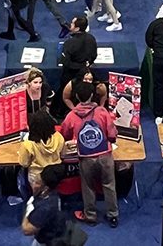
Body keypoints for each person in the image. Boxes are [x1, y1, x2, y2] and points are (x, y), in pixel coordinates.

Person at [61, 80, 120, 227]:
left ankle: (90, 216)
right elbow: (112, 133)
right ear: (93, 95)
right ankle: (113, 216)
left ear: (76, 96)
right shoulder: (102, 111)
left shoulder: (71, 115)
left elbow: (65, 134)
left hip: (85, 157)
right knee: (109, 185)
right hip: (105, 155)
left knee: (88, 186)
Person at [23, 166, 76, 245]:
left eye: (37, 182)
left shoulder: (44, 208)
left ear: (45, 188)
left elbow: (26, 230)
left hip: (47, 241)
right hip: (55, 231)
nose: (33, 184)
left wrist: (28, 210)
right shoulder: (54, 193)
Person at [18, 108, 66, 192]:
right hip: (55, 174)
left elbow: (24, 163)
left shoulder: (28, 144)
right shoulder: (59, 137)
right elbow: (63, 155)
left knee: (38, 198)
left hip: (37, 177)